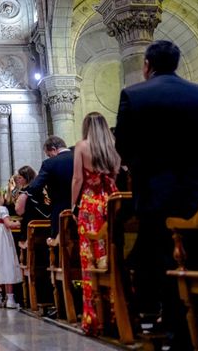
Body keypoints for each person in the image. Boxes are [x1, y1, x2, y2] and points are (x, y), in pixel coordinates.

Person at [115, 40, 198, 348]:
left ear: (146, 64)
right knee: (197, 257)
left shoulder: (134, 94)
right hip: (197, 192)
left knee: (161, 261)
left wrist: (143, 165)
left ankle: (175, 332)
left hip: (155, 191)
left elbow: (123, 146)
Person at [71, 112, 120, 336]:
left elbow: (78, 179)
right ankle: (115, 313)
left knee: (89, 259)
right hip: (111, 201)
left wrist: (73, 205)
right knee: (111, 255)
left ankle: (93, 317)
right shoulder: (112, 147)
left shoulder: (82, 146)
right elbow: (116, 174)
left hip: (90, 204)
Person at [24, 136, 74, 239]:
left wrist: (24, 194)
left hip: (60, 211)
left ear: (54, 149)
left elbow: (36, 186)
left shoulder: (50, 163)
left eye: (49, 155)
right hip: (79, 209)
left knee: (59, 247)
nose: (50, 157)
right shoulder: (79, 157)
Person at [15, 165, 50, 243]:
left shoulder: (29, 191)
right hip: (31, 221)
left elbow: (19, 210)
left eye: (20, 177)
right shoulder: (29, 189)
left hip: (33, 222)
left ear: (26, 178)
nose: (17, 179)